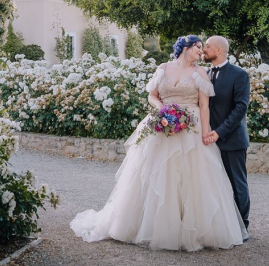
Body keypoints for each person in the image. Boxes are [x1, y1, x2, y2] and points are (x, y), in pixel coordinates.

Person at [70, 35, 247, 251]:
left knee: (191, 178)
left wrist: (206, 132)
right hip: (162, 123)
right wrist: (162, 109)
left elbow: (204, 106)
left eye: (204, 47)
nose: (201, 51)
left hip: (190, 126)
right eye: (198, 47)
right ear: (185, 48)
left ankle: (189, 228)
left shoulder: (201, 73)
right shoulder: (163, 68)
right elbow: (152, 96)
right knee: (152, 173)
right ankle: (144, 225)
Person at [201, 35, 251, 231]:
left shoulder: (239, 75)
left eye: (207, 46)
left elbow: (240, 108)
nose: (204, 49)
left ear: (219, 50)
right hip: (207, 140)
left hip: (232, 140)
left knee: (238, 186)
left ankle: (242, 227)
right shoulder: (204, 74)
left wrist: (218, 133)